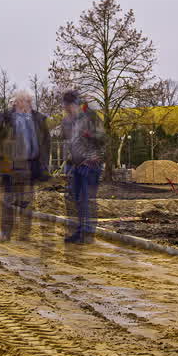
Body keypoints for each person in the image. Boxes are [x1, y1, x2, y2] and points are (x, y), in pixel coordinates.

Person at [0, 90, 50, 241]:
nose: (27, 104)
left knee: (27, 201)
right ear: (16, 102)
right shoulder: (6, 118)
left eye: (29, 101)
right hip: (10, 164)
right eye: (23, 101)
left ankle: (24, 235)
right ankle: (6, 233)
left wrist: (44, 165)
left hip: (31, 165)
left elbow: (46, 144)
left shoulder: (39, 119)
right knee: (7, 200)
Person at [60, 90, 105, 243]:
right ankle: (79, 232)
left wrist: (90, 135)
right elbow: (67, 142)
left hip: (91, 164)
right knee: (77, 200)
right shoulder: (67, 121)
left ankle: (87, 234)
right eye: (66, 106)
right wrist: (68, 161)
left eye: (70, 105)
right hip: (75, 165)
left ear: (77, 104)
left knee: (87, 199)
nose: (68, 109)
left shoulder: (91, 117)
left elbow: (104, 138)